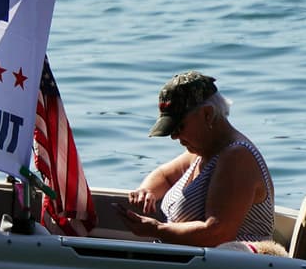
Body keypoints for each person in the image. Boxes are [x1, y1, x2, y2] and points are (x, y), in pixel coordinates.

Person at [117, 71, 275, 247]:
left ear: (207, 114)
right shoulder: (202, 152)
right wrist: (146, 190)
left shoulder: (237, 158)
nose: (174, 137)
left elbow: (217, 234)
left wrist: (156, 229)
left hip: (233, 268)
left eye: (179, 127)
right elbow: (164, 176)